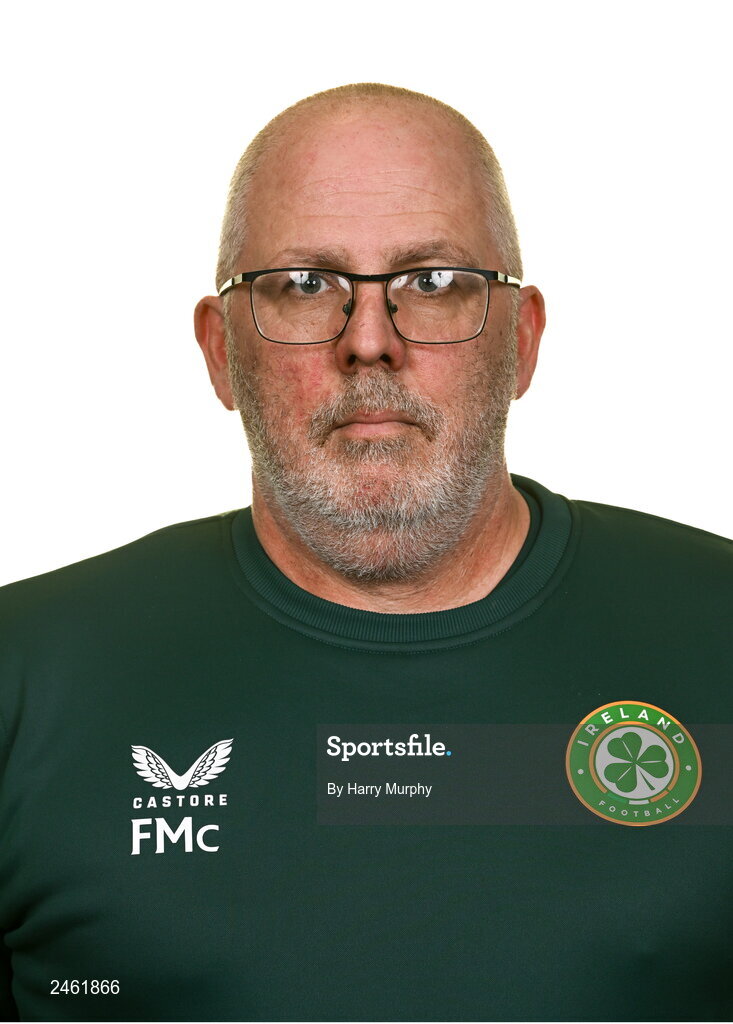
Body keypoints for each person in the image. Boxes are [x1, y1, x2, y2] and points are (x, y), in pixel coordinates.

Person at [0, 82, 730, 1023]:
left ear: (523, 340)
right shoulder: (26, 671)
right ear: (220, 352)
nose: (371, 342)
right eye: (307, 286)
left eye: (433, 281)